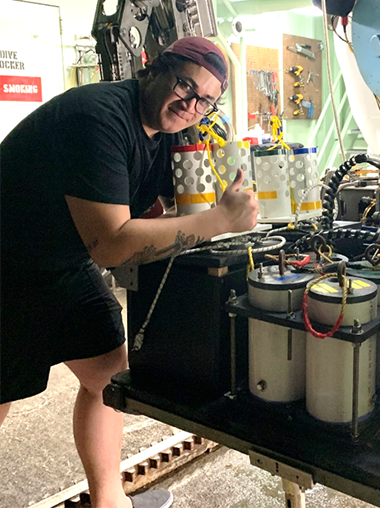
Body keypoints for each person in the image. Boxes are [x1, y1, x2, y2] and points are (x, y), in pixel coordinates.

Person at [0, 37, 258, 508]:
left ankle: (109, 501)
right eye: (185, 85)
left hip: (63, 262)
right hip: (7, 263)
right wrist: (218, 220)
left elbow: (164, 216)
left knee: (107, 375)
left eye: (205, 100)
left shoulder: (171, 133)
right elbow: (114, 245)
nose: (191, 104)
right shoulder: (97, 118)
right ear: (152, 69)